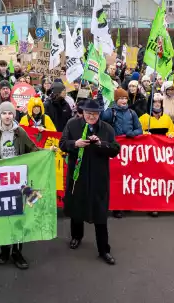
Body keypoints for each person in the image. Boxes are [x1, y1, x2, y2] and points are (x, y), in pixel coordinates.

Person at [0, 101, 41, 270]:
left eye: (10, 113)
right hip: (0, 182)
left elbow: (33, 149)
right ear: (0, 115)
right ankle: (4, 251)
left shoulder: (20, 132)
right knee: (3, 217)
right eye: (4, 113)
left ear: (14, 115)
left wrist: (47, 153)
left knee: (19, 217)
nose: (7, 116)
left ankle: (17, 253)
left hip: (19, 183)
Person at [60, 99, 119, 265]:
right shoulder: (72, 125)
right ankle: (76, 236)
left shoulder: (107, 129)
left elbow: (115, 150)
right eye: (88, 113)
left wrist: (101, 144)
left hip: (98, 178)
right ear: (82, 113)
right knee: (77, 207)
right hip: (78, 176)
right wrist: (75, 144)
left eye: (94, 114)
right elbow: (62, 144)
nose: (91, 116)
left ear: (99, 114)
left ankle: (103, 249)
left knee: (100, 213)